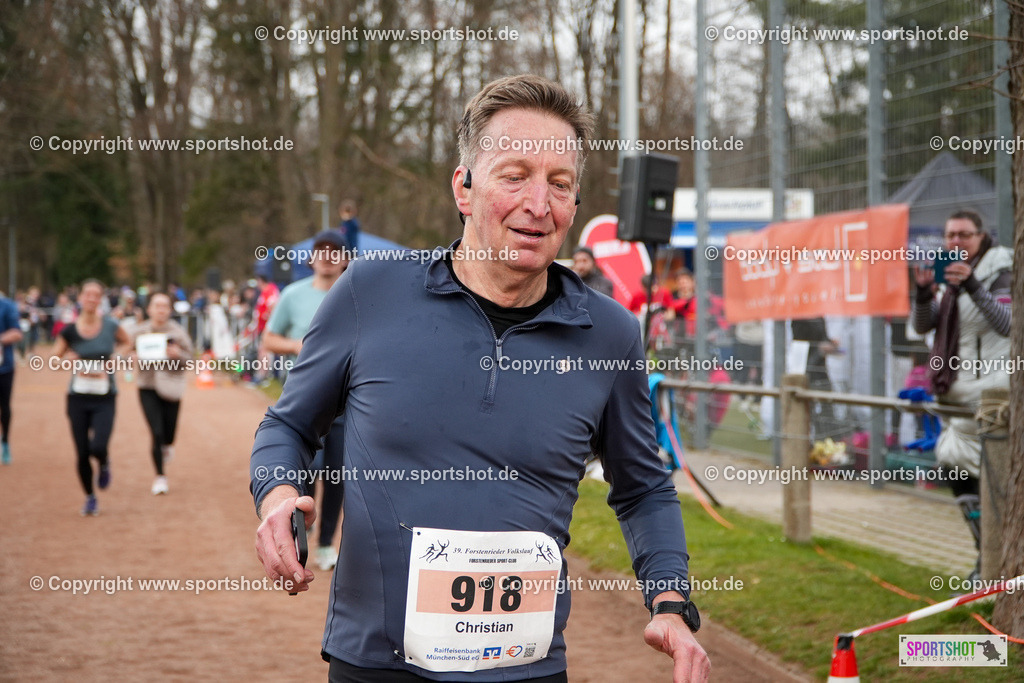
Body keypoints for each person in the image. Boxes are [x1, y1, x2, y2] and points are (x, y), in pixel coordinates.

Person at [250, 74, 709, 683]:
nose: (538, 205)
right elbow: (287, 426)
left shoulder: (610, 335)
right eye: (514, 175)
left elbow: (644, 486)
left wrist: (670, 602)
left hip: (527, 668)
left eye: (560, 184)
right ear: (464, 188)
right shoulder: (370, 292)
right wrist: (278, 497)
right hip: (377, 665)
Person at [912, 210, 1012, 579]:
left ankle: (992, 562)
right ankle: (986, 557)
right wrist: (923, 294)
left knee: (985, 472)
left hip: (994, 394)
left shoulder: (1002, 271)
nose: (956, 242)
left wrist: (973, 286)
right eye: (950, 234)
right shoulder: (950, 277)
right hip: (957, 394)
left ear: (983, 236)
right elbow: (925, 325)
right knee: (957, 465)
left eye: (965, 235)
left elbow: (1009, 325)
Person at [262, 230, 350, 571]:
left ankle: (327, 543)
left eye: (335, 252)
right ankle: (299, 540)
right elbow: (269, 339)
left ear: (345, 259)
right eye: (321, 252)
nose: (327, 258)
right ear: (311, 259)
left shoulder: (355, 295)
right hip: (305, 401)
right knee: (306, 471)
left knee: (337, 474)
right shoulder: (293, 295)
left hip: (347, 400)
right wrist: (299, 346)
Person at [51, 279, 130, 515]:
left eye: (96, 295)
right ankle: (90, 497)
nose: (91, 299)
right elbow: (54, 360)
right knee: (82, 451)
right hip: (78, 397)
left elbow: (127, 342)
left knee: (98, 445)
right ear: (81, 298)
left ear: (101, 300)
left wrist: (117, 356)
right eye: (88, 294)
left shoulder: (110, 326)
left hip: (105, 396)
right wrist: (66, 361)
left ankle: (104, 462)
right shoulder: (70, 330)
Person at [131, 292, 194, 495]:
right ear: (149, 309)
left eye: (164, 306)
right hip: (147, 386)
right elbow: (122, 353)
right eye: (156, 306)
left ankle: (167, 446)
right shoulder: (139, 331)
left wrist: (178, 355)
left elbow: (191, 359)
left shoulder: (177, 332)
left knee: (169, 435)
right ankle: (160, 477)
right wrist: (130, 357)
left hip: (171, 387)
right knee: (156, 432)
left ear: (169, 310)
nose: (160, 310)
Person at [790, 316, 844, 441]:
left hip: (820, 370)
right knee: (808, 410)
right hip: (806, 369)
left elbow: (822, 338)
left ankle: (827, 443)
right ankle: (808, 443)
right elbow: (799, 343)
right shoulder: (800, 316)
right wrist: (820, 349)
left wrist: (830, 344)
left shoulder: (819, 315)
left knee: (826, 408)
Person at [1, 292, 24, 464]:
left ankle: (5, 442)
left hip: (4, 367)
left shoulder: (7, 306)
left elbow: (17, 333)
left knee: (4, 407)